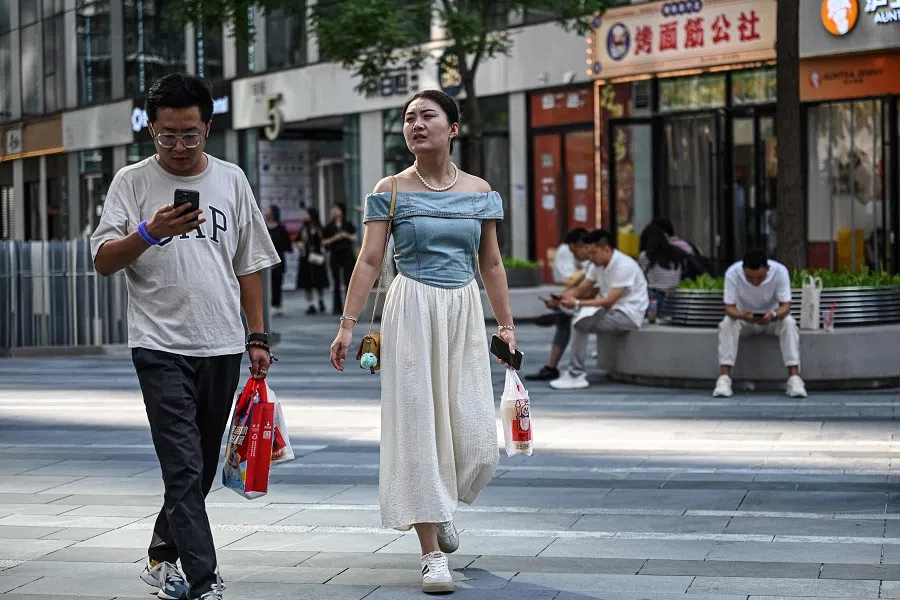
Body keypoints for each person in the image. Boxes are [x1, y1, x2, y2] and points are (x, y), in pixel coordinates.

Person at [90, 73, 280, 600]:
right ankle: (203, 579)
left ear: (208, 128)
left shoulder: (232, 180)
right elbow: (104, 260)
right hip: (157, 344)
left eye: (189, 135)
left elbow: (250, 264)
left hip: (220, 344)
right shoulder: (131, 181)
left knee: (196, 473)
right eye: (166, 135)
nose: (177, 147)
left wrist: (257, 336)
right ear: (150, 129)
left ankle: (159, 555)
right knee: (182, 463)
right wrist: (151, 231)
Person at [329, 89, 514, 595]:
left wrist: (506, 325)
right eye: (409, 118)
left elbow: (491, 263)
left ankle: (444, 497)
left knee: (474, 434)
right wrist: (348, 324)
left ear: (453, 128)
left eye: (427, 115)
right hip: (410, 309)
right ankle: (431, 549)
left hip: (462, 310)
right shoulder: (389, 189)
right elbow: (369, 261)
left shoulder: (479, 190)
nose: (416, 124)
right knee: (416, 424)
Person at [549, 229, 648, 391]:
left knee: (580, 323)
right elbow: (581, 288)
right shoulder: (598, 264)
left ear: (606, 249)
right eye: (588, 252)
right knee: (577, 319)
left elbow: (609, 301)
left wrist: (577, 303)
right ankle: (574, 372)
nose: (590, 257)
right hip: (611, 311)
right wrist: (561, 298)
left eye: (593, 252)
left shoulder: (624, 265)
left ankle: (576, 374)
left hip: (628, 315)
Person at [714, 249, 807, 399]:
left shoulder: (780, 272)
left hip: (771, 319)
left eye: (760, 278)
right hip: (744, 319)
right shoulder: (732, 273)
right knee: (727, 324)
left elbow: (786, 306)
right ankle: (724, 379)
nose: (755, 282)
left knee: (789, 323)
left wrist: (774, 315)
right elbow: (729, 307)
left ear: (768, 270)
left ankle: (794, 378)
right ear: (743, 270)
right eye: (750, 278)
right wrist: (742, 315)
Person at [526, 228, 592, 381]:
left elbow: (587, 290)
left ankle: (574, 371)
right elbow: (578, 285)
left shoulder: (596, 262)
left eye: (574, 251)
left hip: (608, 306)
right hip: (593, 302)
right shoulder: (590, 264)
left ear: (581, 245)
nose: (574, 256)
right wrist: (560, 299)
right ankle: (551, 367)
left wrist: (563, 301)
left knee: (573, 320)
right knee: (564, 318)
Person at [639, 223, 687, 314]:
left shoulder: (645, 256)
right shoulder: (676, 254)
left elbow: (643, 279)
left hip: (656, 298)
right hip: (674, 298)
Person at [323, 203, 358, 314]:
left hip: (347, 254)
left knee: (348, 280)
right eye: (333, 209)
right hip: (335, 255)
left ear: (341, 211)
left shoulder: (347, 224)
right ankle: (337, 307)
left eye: (336, 209)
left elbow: (354, 237)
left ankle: (348, 307)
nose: (334, 211)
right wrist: (335, 238)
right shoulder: (329, 227)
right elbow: (324, 241)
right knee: (336, 281)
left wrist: (345, 235)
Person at [295, 207, 329, 315]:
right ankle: (311, 304)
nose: (305, 216)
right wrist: (300, 244)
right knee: (307, 283)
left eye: (307, 214)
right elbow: (297, 241)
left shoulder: (319, 228)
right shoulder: (303, 228)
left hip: (317, 258)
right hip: (306, 259)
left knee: (319, 282)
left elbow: (324, 241)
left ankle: (320, 300)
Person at [265, 205, 292, 316]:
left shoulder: (281, 229)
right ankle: (268, 304)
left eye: (268, 211)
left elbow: (287, 245)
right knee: (267, 285)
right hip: (266, 261)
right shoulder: (263, 227)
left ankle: (277, 304)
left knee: (277, 283)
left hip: (278, 261)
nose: (266, 212)